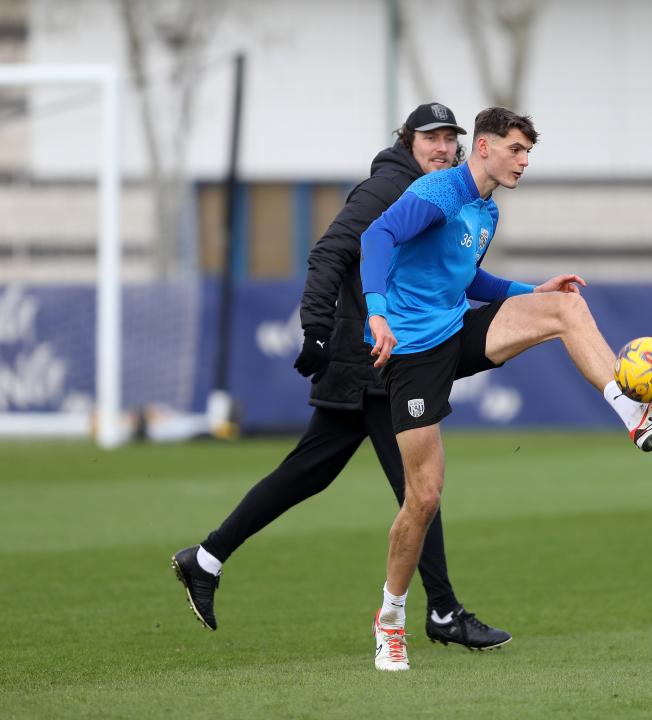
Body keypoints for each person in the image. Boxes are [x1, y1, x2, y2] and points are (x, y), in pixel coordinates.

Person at [361, 107, 652, 671]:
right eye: (516, 150)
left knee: (566, 305)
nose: (524, 161)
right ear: (484, 147)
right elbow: (378, 236)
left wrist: (530, 290)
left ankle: (635, 413)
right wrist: (377, 314)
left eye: (528, 153)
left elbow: (464, 275)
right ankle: (391, 618)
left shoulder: (486, 210)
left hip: (456, 330)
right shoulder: (441, 191)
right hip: (412, 353)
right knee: (422, 500)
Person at [171, 103, 511, 651]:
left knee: (311, 471)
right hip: (373, 358)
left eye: (451, 139)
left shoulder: (446, 189)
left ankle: (205, 558)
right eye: (432, 139)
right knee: (418, 490)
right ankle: (444, 611)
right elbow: (330, 251)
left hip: (376, 354)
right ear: (407, 141)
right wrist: (316, 328)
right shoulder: (387, 189)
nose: (443, 149)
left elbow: (458, 272)